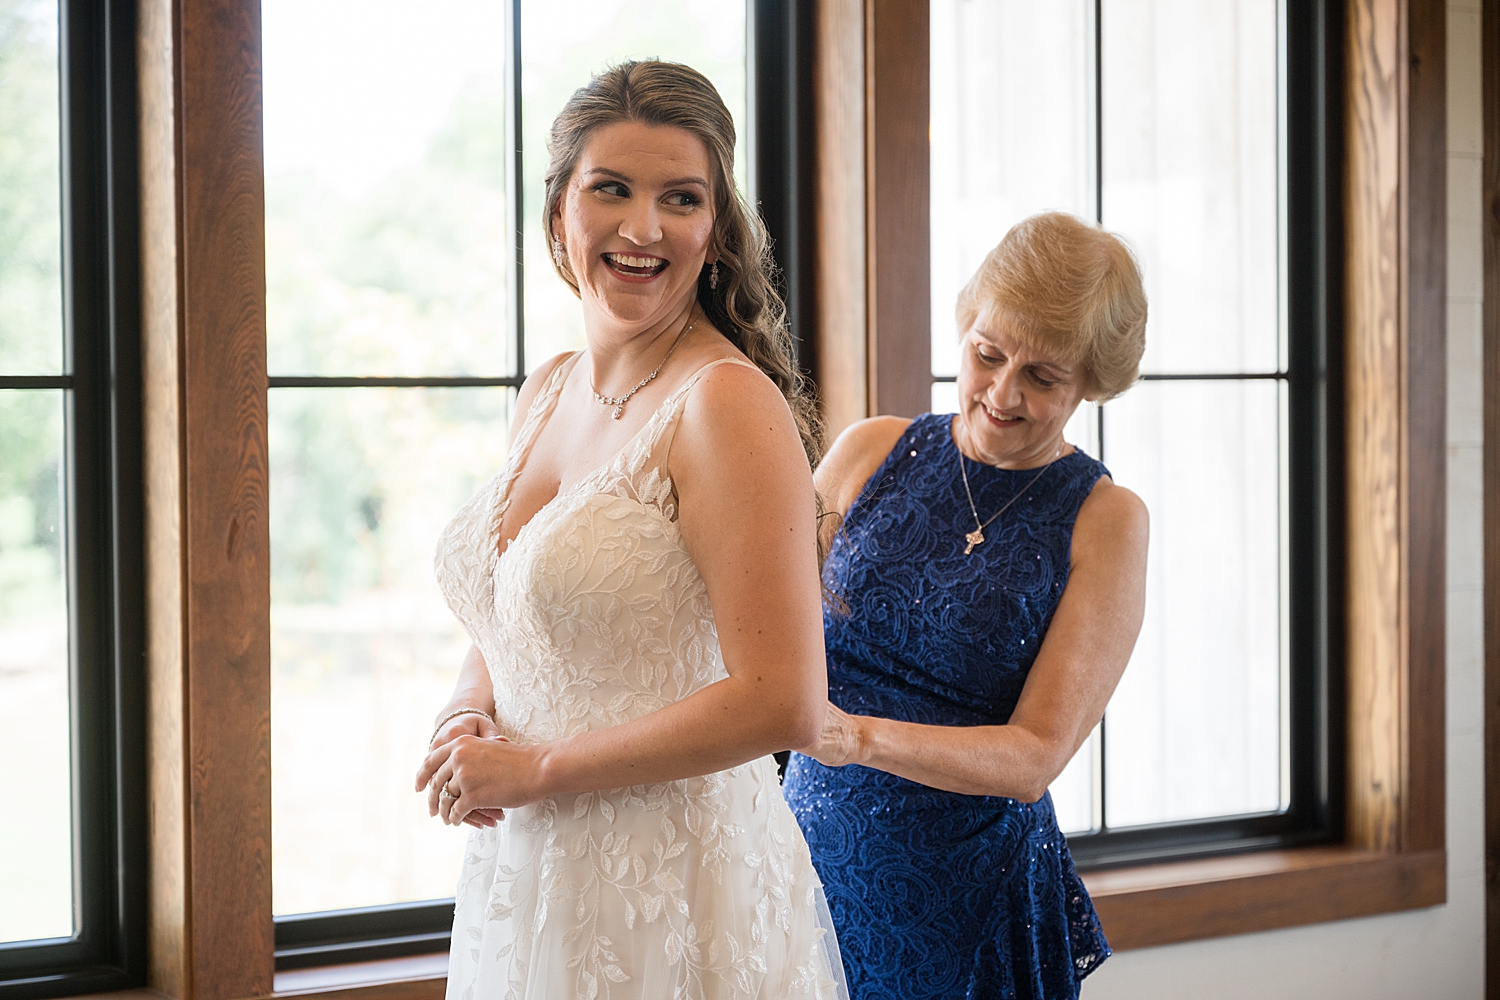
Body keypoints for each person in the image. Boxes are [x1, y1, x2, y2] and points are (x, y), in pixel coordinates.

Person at [415, 61, 847, 1000]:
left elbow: (786, 702)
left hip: (672, 884)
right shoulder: (550, 388)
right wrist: (465, 712)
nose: (642, 227)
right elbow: (514, 611)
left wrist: (535, 768)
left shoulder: (724, 404)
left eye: (679, 198)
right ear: (561, 211)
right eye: (610, 189)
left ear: (716, 233)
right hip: (527, 872)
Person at [783, 212, 1150, 1000]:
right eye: (987, 354)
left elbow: (1033, 757)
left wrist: (856, 737)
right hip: (799, 861)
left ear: (1093, 380)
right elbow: (758, 622)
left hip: (967, 900)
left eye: (1044, 377)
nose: (1002, 392)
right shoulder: (867, 453)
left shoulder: (1107, 521)